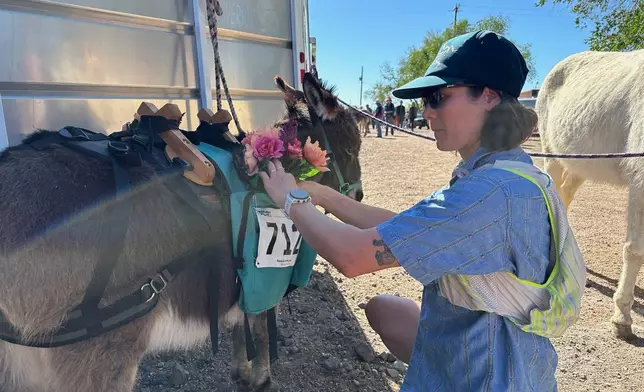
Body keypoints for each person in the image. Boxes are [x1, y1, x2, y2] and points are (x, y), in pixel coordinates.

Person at [259, 30, 585, 391]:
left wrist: (292, 201)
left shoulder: (490, 194)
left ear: (489, 96)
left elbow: (352, 257)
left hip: (489, 377)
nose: (426, 111)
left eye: (438, 97)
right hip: (513, 357)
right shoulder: (505, 173)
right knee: (384, 309)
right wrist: (325, 196)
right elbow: (404, 227)